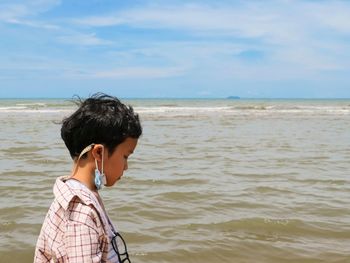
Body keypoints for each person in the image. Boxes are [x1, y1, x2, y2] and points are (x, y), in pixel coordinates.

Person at [34, 93, 142, 262]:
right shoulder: (81, 214)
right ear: (98, 152)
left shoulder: (85, 196)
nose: (126, 166)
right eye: (126, 156)